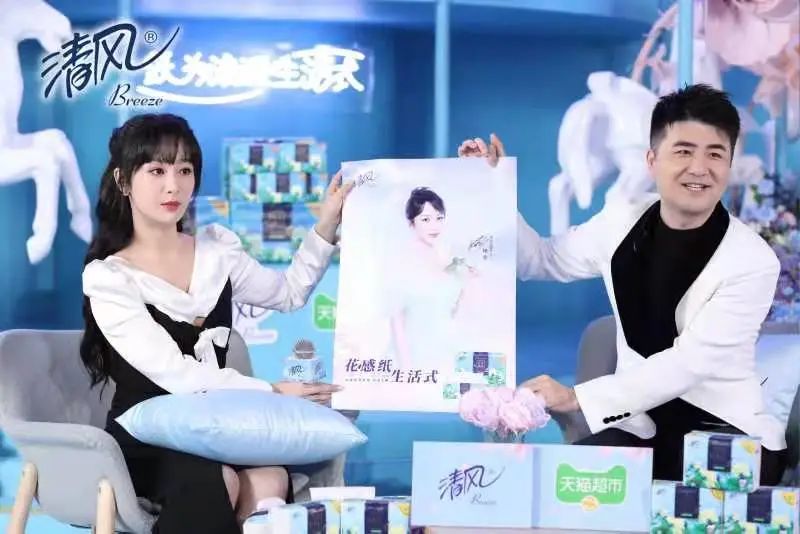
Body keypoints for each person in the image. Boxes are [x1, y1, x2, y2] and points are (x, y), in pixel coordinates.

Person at [459, 84, 788, 484]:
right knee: (567, 485)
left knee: (688, 497)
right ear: (652, 160)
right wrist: (490, 187)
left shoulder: (753, 261)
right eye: (684, 151)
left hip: (726, 435)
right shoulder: (622, 219)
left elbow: (689, 363)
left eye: (715, 154)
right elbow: (540, 260)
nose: (699, 168)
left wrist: (574, 396)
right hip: (641, 429)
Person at [80, 113, 352, 533]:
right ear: (123, 180)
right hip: (146, 441)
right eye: (156, 171)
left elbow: (288, 293)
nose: (173, 186)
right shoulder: (110, 279)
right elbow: (177, 374)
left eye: (184, 170)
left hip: (221, 430)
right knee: (219, 479)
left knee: (270, 478)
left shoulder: (216, 252)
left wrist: (326, 224)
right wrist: (274, 391)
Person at [389, 187, 473, 370]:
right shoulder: (404, 260)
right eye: (426, 219)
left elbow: (451, 308)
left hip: (445, 352)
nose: (434, 226)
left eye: (439, 218)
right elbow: (397, 318)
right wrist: (407, 368)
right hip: (416, 355)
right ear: (412, 223)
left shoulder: (442, 255)